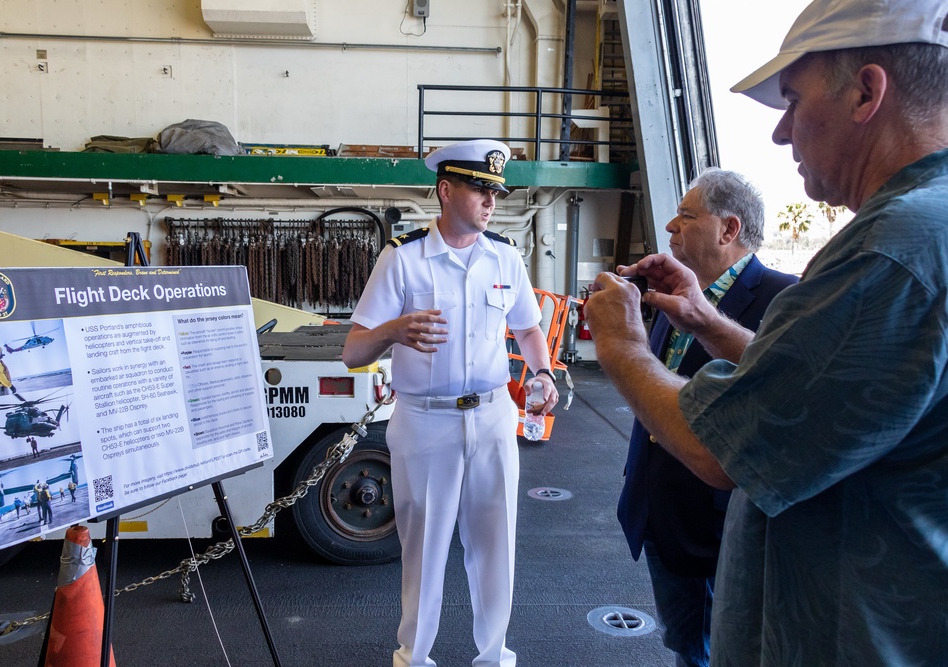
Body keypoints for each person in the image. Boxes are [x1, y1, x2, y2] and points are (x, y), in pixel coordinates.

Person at [586, 0, 948, 664]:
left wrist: (619, 342)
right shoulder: (924, 232)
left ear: (867, 91)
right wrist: (702, 318)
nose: (782, 133)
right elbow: (821, 398)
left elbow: (722, 447)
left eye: (792, 98)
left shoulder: (891, 252)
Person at [342, 139, 559, 667]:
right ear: (445, 189)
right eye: (480, 188)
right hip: (425, 423)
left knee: (495, 548)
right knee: (424, 553)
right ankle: (414, 658)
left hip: (491, 419)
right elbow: (353, 351)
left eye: (496, 190)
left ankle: (493, 657)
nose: (492, 200)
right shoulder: (403, 258)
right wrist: (394, 329)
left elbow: (528, 327)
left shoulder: (505, 256)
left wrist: (542, 371)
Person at [617, 168, 796, 667]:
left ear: (729, 229)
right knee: (685, 643)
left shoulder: (784, 301)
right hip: (658, 512)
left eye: (686, 216)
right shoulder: (675, 292)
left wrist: (618, 343)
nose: (671, 226)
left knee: (715, 653)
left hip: (718, 530)